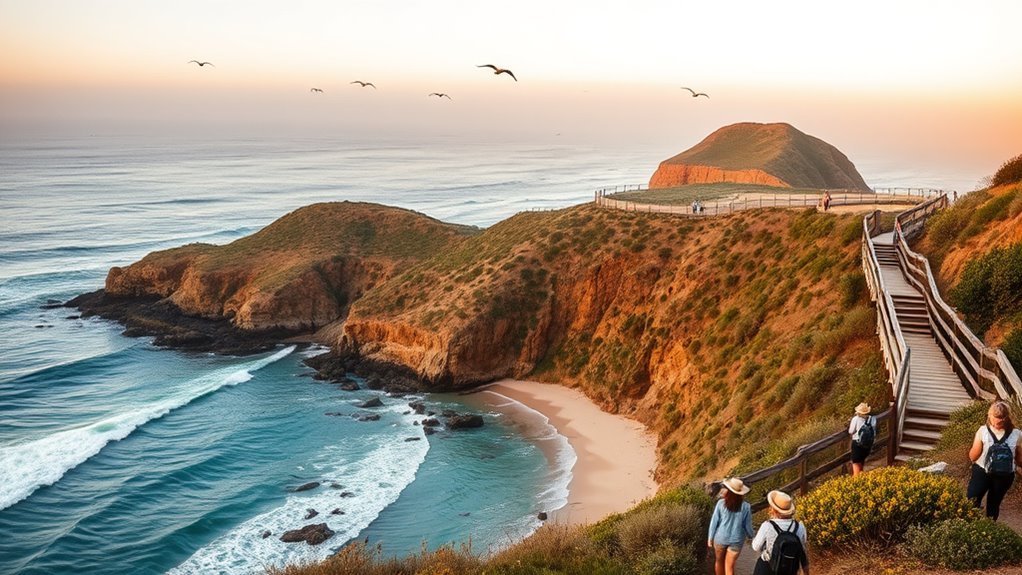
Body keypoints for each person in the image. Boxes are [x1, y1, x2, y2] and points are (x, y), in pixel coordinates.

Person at [967, 400, 1022, 520]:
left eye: (1000, 417)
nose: (999, 420)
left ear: (989, 416)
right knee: (993, 505)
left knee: (971, 501)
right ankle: (988, 530)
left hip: (982, 471)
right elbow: (1019, 460)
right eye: (998, 417)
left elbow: (973, 456)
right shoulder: (1017, 434)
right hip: (1005, 475)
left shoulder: (983, 431)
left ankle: (970, 528)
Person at [751, 490, 808, 575]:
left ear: (774, 509)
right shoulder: (800, 527)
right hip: (790, 568)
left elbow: (756, 547)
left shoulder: (767, 525)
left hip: (768, 568)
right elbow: (802, 550)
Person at [707, 477, 754, 575]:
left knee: (719, 562)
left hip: (720, 538)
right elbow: (747, 526)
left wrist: (710, 538)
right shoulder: (746, 506)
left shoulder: (721, 503)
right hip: (736, 540)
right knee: (730, 567)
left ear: (728, 489)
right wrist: (751, 536)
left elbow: (714, 522)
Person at [848, 402, 876, 476]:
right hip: (867, 445)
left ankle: (856, 483)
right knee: (861, 462)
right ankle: (861, 479)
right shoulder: (872, 419)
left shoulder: (856, 419)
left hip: (857, 444)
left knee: (856, 463)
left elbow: (851, 431)